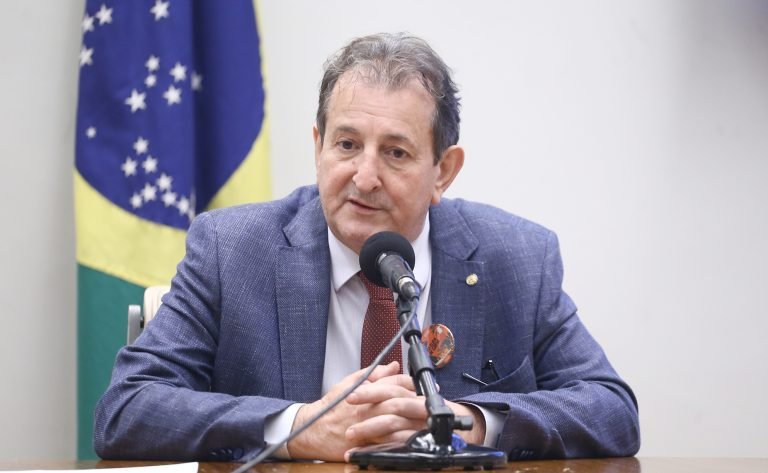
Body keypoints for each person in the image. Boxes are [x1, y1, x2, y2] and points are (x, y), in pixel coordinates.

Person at [94, 32, 640, 462]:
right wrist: (298, 429)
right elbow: (126, 410)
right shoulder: (231, 250)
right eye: (347, 144)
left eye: (396, 153)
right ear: (318, 147)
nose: (364, 177)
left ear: (443, 171)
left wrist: (469, 422)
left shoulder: (516, 258)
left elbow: (612, 410)